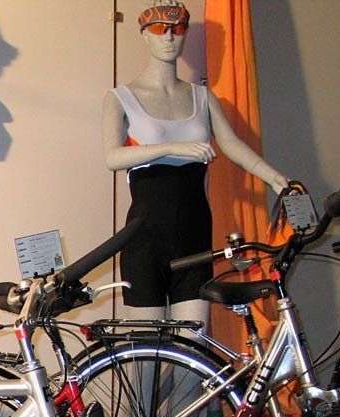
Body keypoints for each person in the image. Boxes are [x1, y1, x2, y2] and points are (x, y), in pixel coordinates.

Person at [102, 0, 288, 325]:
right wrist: (173, 147)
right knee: (147, 351)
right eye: (160, 28)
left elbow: (230, 143)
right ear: (144, 33)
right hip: (145, 239)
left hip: (195, 237)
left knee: (193, 347)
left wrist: (274, 177)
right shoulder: (121, 98)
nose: (169, 37)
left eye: (177, 29)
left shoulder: (202, 97)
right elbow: (112, 157)